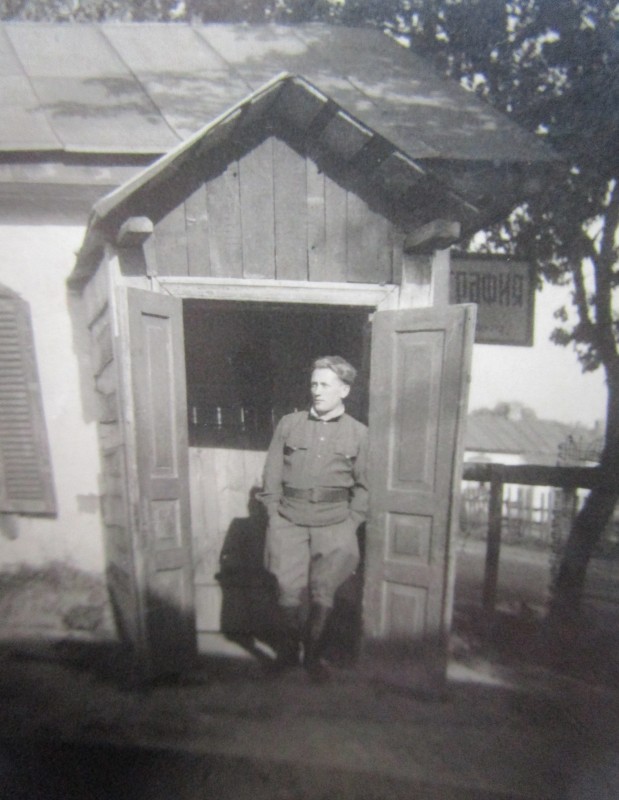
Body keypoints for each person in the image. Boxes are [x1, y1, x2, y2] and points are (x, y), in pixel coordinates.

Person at [259, 355, 368, 682]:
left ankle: (313, 658)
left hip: (335, 523)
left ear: (344, 390)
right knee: (287, 588)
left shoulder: (360, 434)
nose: (317, 391)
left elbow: (365, 486)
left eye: (325, 385)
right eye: (314, 384)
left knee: (324, 590)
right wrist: (274, 514)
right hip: (289, 520)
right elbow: (271, 474)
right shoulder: (289, 424)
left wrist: (351, 523)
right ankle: (287, 654)